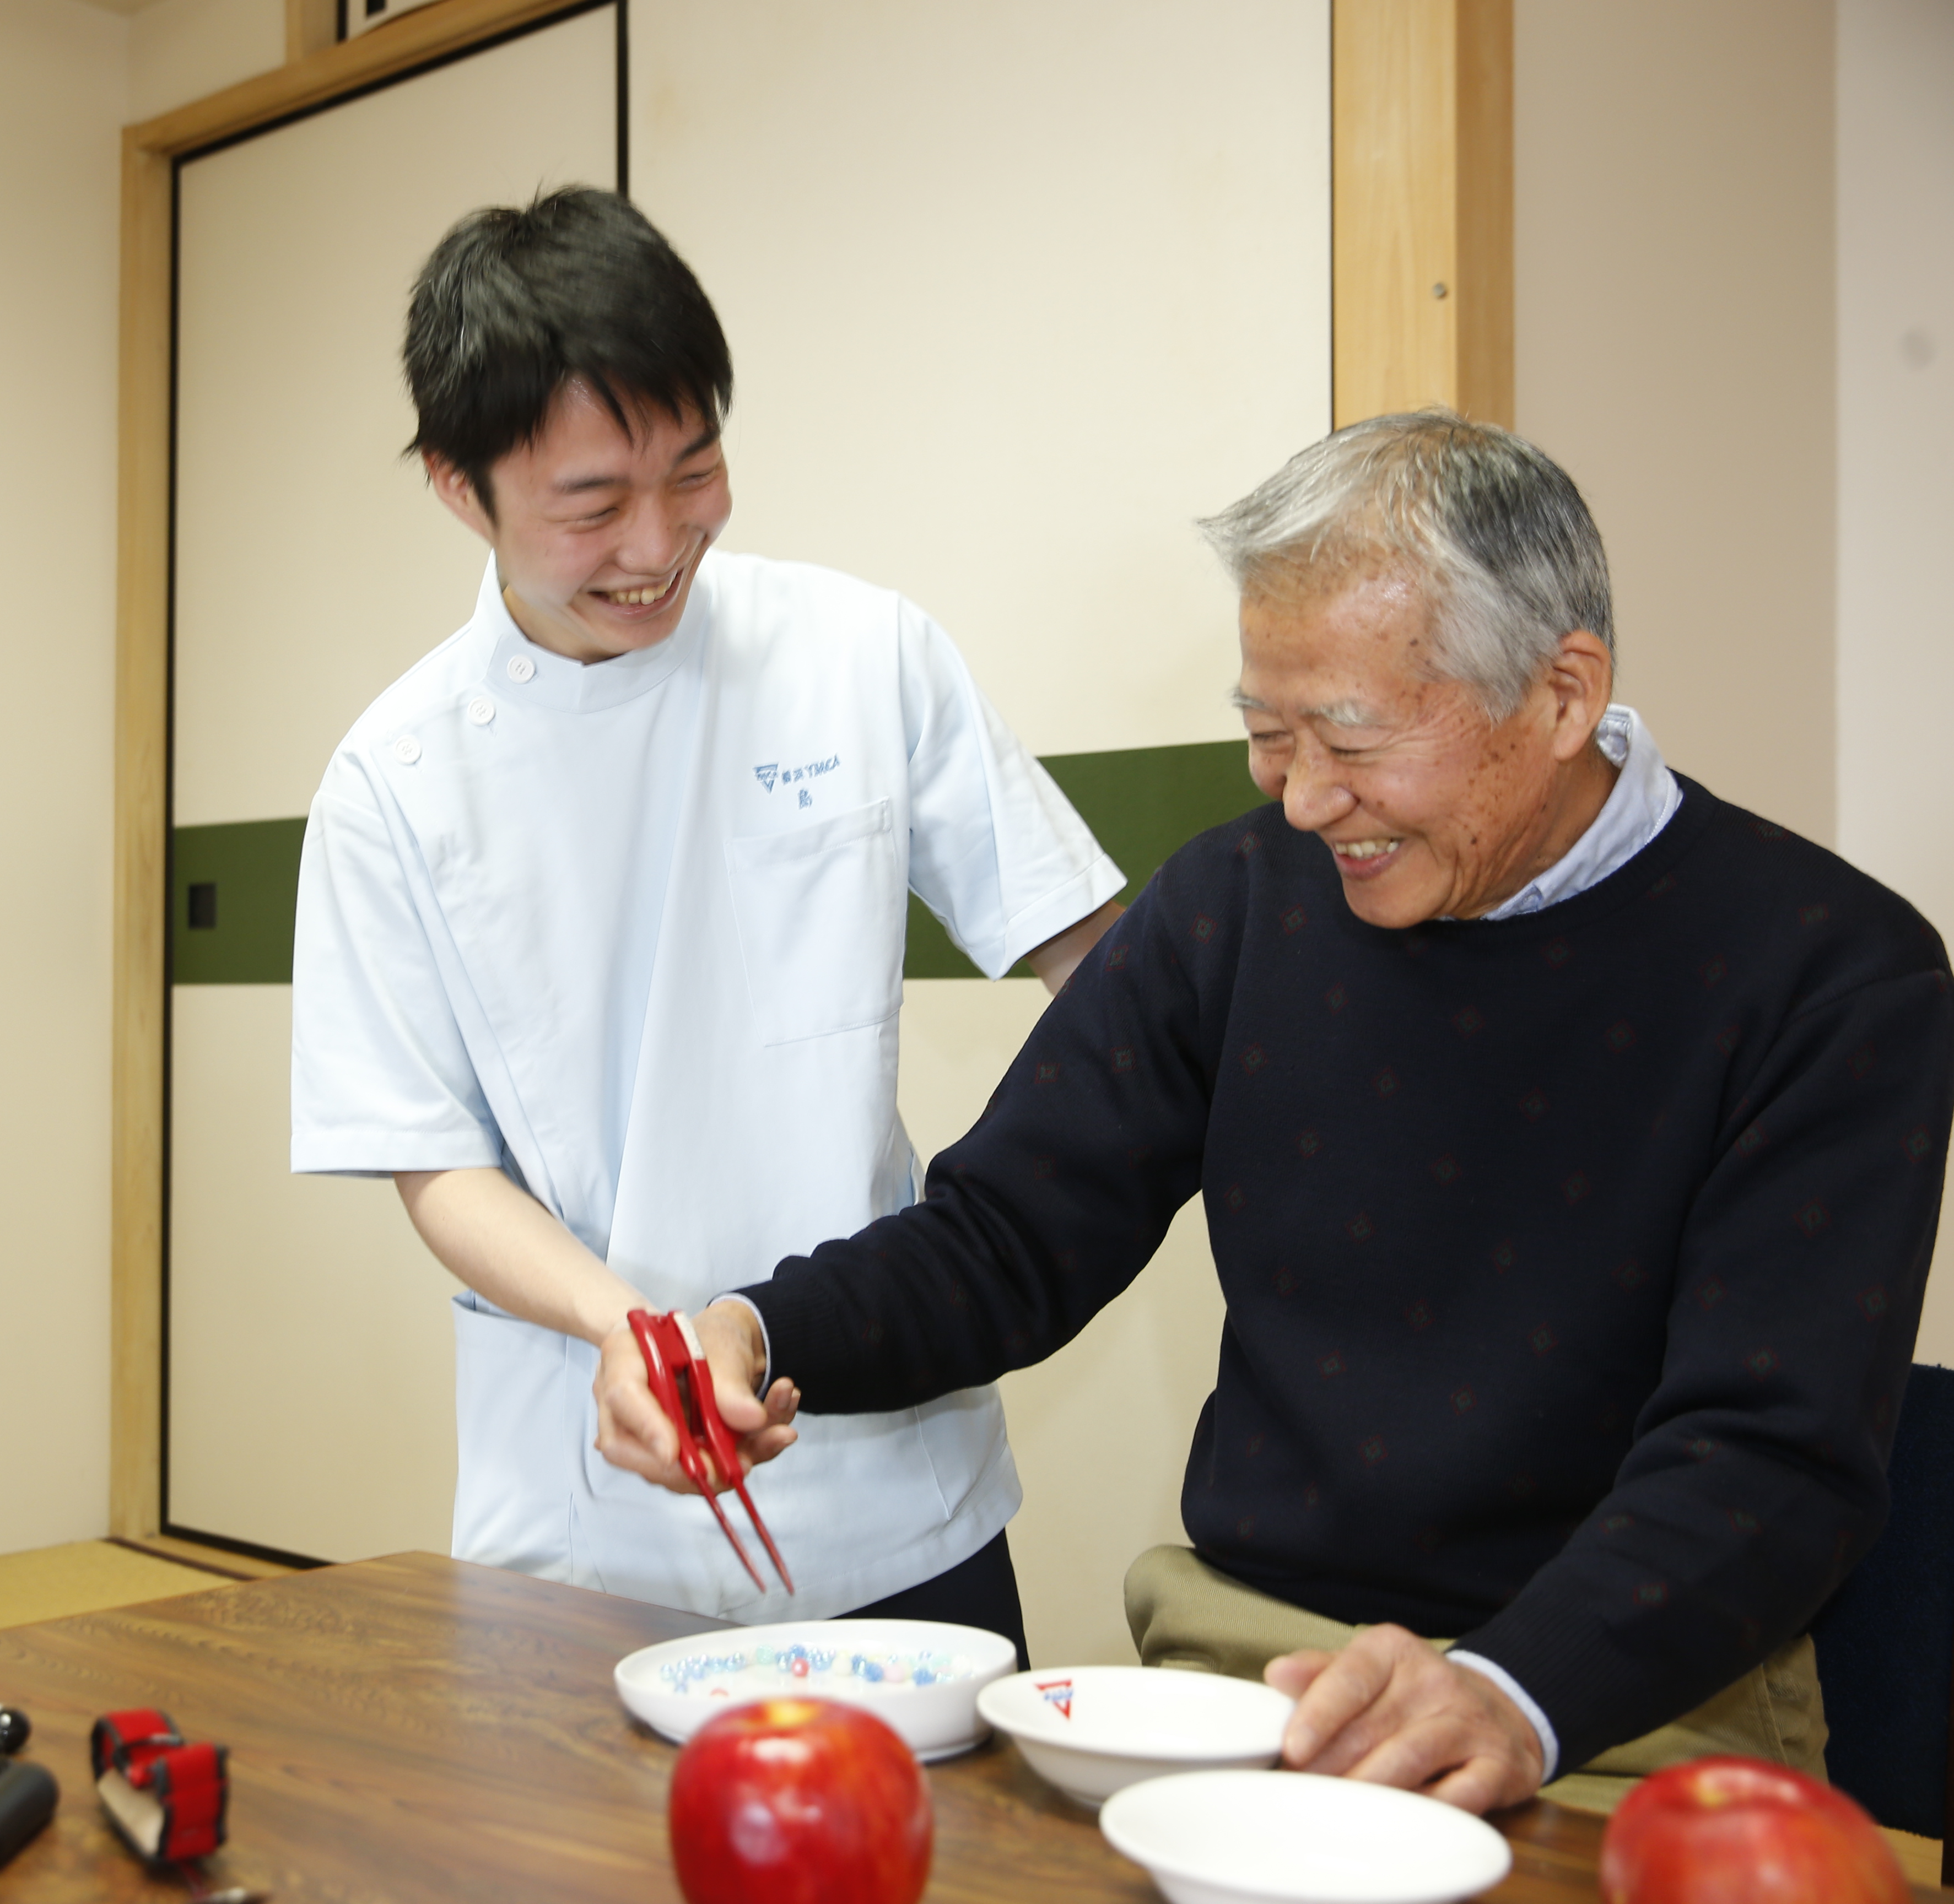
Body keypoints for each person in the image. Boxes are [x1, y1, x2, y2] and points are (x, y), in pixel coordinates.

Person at [597, 410, 1953, 1812]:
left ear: (1562, 695)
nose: (1305, 801)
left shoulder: (1832, 975)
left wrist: (1510, 1692)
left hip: (1617, 1703)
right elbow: (1006, 1235)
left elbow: (1773, 1455)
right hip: (1250, 1669)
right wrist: (750, 1329)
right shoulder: (1238, 904)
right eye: (1266, 734)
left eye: (1353, 737)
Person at [290, 188, 1126, 1644]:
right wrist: (631, 1327)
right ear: (457, 486)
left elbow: (1096, 964)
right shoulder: (399, 778)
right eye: (593, 503)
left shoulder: (864, 655)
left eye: (696, 470)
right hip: (582, 1519)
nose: (660, 540)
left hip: (893, 1488)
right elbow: (434, 1164)